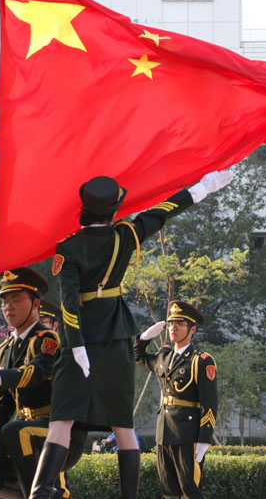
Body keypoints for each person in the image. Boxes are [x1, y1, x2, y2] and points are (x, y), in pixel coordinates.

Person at [30, 171, 233, 499]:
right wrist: (204, 188)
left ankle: (39, 492)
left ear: (83, 208)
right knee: (122, 425)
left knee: (61, 421)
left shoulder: (68, 248)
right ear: (114, 210)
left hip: (78, 342)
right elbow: (163, 211)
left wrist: (77, 346)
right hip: (115, 335)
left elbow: (69, 303)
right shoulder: (124, 237)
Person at [0, 268, 84, 498]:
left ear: (35, 303)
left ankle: (48, 493)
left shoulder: (47, 339)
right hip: (23, 433)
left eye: (16, 299)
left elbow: (34, 373)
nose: (8, 307)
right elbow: (1, 403)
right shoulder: (4, 349)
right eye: (4, 302)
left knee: (14, 432)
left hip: (60, 430)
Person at [134, 301, 218, 499]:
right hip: (164, 432)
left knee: (190, 491)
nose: (173, 328)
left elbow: (210, 403)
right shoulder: (163, 358)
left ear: (192, 329)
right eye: (171, 323)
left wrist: (204, 439)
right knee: (168, 492)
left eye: (180, 324)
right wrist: (144, 338)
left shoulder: (201, 360)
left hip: (188, 434)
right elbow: (138, 357)